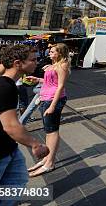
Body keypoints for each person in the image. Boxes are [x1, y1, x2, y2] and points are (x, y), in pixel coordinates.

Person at [0, 45, 49, 192]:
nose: (37, 62)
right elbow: (11, 126)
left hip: (7, 147)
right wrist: (35, 144)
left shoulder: (8, 84)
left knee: (18, 182)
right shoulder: (4, 87)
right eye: (33, 60)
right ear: (17, 63)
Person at [26, 43, 70, 177]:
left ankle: (49, 163)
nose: (49, 53)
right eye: (50, 51)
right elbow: (51, 83)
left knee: (52, 131)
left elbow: (60, 86)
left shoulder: (62, 65)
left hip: (53, 100)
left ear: (60, 53)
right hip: (45, 98)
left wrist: (52, 106)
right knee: (49, 131)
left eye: (52, 51)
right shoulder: (51, 66)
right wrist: (37, 79)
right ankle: (46, 158)